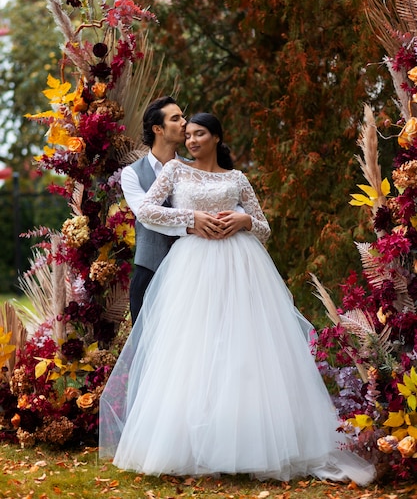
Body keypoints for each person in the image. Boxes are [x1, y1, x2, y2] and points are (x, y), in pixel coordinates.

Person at [100, 113, 375, 485]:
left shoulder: (237, 178)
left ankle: (249, 441)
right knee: (193, 349)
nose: (192, 140)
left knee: (243, 349)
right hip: (192, 265)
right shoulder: (176, 172)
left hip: (240, 267)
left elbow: (263, 226)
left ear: (215, 138)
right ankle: (188, 444)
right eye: (189, 134)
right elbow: (146, 209)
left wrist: (243, 222)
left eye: (199, 135)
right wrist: (191, 216)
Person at [122, 97, 226, 324]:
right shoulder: (131, 174)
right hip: (149, 271)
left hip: (195, 273)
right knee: (148, 353)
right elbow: (146, 214)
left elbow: (220, 199)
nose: (185, 123)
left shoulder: (194, 167)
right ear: (158, 129)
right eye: (176, 118)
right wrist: (192, 219)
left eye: (183, 117)